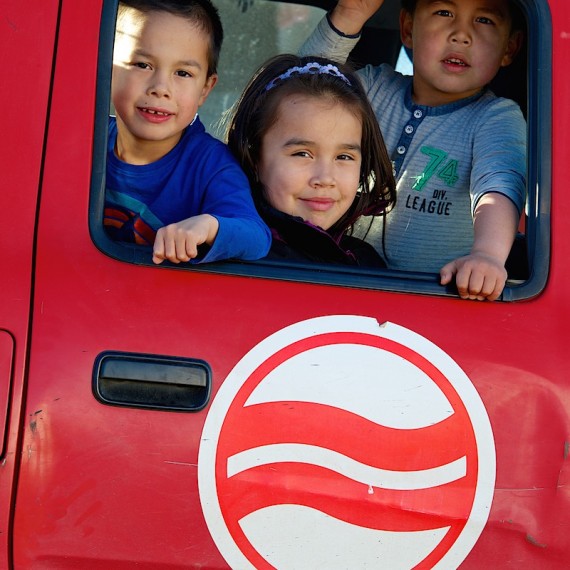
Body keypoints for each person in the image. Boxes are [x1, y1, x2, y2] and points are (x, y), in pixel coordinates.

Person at [300, 0, 526, 300]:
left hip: (428, 298)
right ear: (408, 29)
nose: (461, 34)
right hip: (337, 279)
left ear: (509, 47)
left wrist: (487, 254)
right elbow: (297, 90)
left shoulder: (496, 117)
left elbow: (499, 184)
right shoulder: (372, 86)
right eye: (444, 13)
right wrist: (348, 16)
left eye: (484, 20)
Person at [104, 0, 271, 264]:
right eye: (142, 65)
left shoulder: (211, 165)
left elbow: (256, 237)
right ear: (108, 68)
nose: (160, 87)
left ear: (205, 88)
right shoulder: (82, 140)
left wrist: (208, 226)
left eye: (182, 73)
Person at [227, 54, 396, 266]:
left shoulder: (366, 264)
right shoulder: (227, 252)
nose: (325, 178)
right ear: (254, 158)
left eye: (344, 157)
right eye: (302, 153)